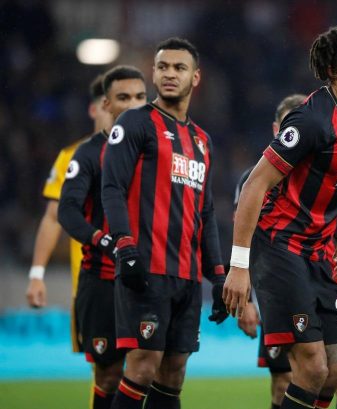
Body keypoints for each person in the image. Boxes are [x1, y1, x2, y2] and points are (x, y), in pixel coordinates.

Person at [223, 24, 337, 409]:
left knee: (334, 373)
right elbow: (254, 185)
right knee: (311, 369)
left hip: (320, 255)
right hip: (281, 250)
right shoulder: (310, 121)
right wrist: (239, 266)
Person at [101, 37, 228, 409]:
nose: (170, 74)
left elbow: (205, 212)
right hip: (145, 268)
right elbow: (112, 187)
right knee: (142, 365)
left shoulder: (202, 141)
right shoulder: (135, 123)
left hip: (186, 276)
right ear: (154, 73)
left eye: (179, 68)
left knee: (174, 372)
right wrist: (125, 246)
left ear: (195, 77)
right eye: (163, 67)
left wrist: (218, 276)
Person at [58, 65, 147, 409]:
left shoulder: (155, 150)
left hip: (149, 279)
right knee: (108, 375)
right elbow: (67, 211)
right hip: (103, 280)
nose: (133, 104)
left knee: (153, 370)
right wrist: (103, 240)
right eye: (123, 97)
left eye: (139, 97)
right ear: (106, 104)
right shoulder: (88, 153)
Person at [25, 75, 112, 350]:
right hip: (90, 282)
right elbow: (53, 217)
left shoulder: (145, 153)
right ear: (93, 109)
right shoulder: (72, 156)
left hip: (140, 283)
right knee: (103, 369)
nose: (114, 111)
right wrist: (37, 274)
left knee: (145, 367)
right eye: (107, 105)